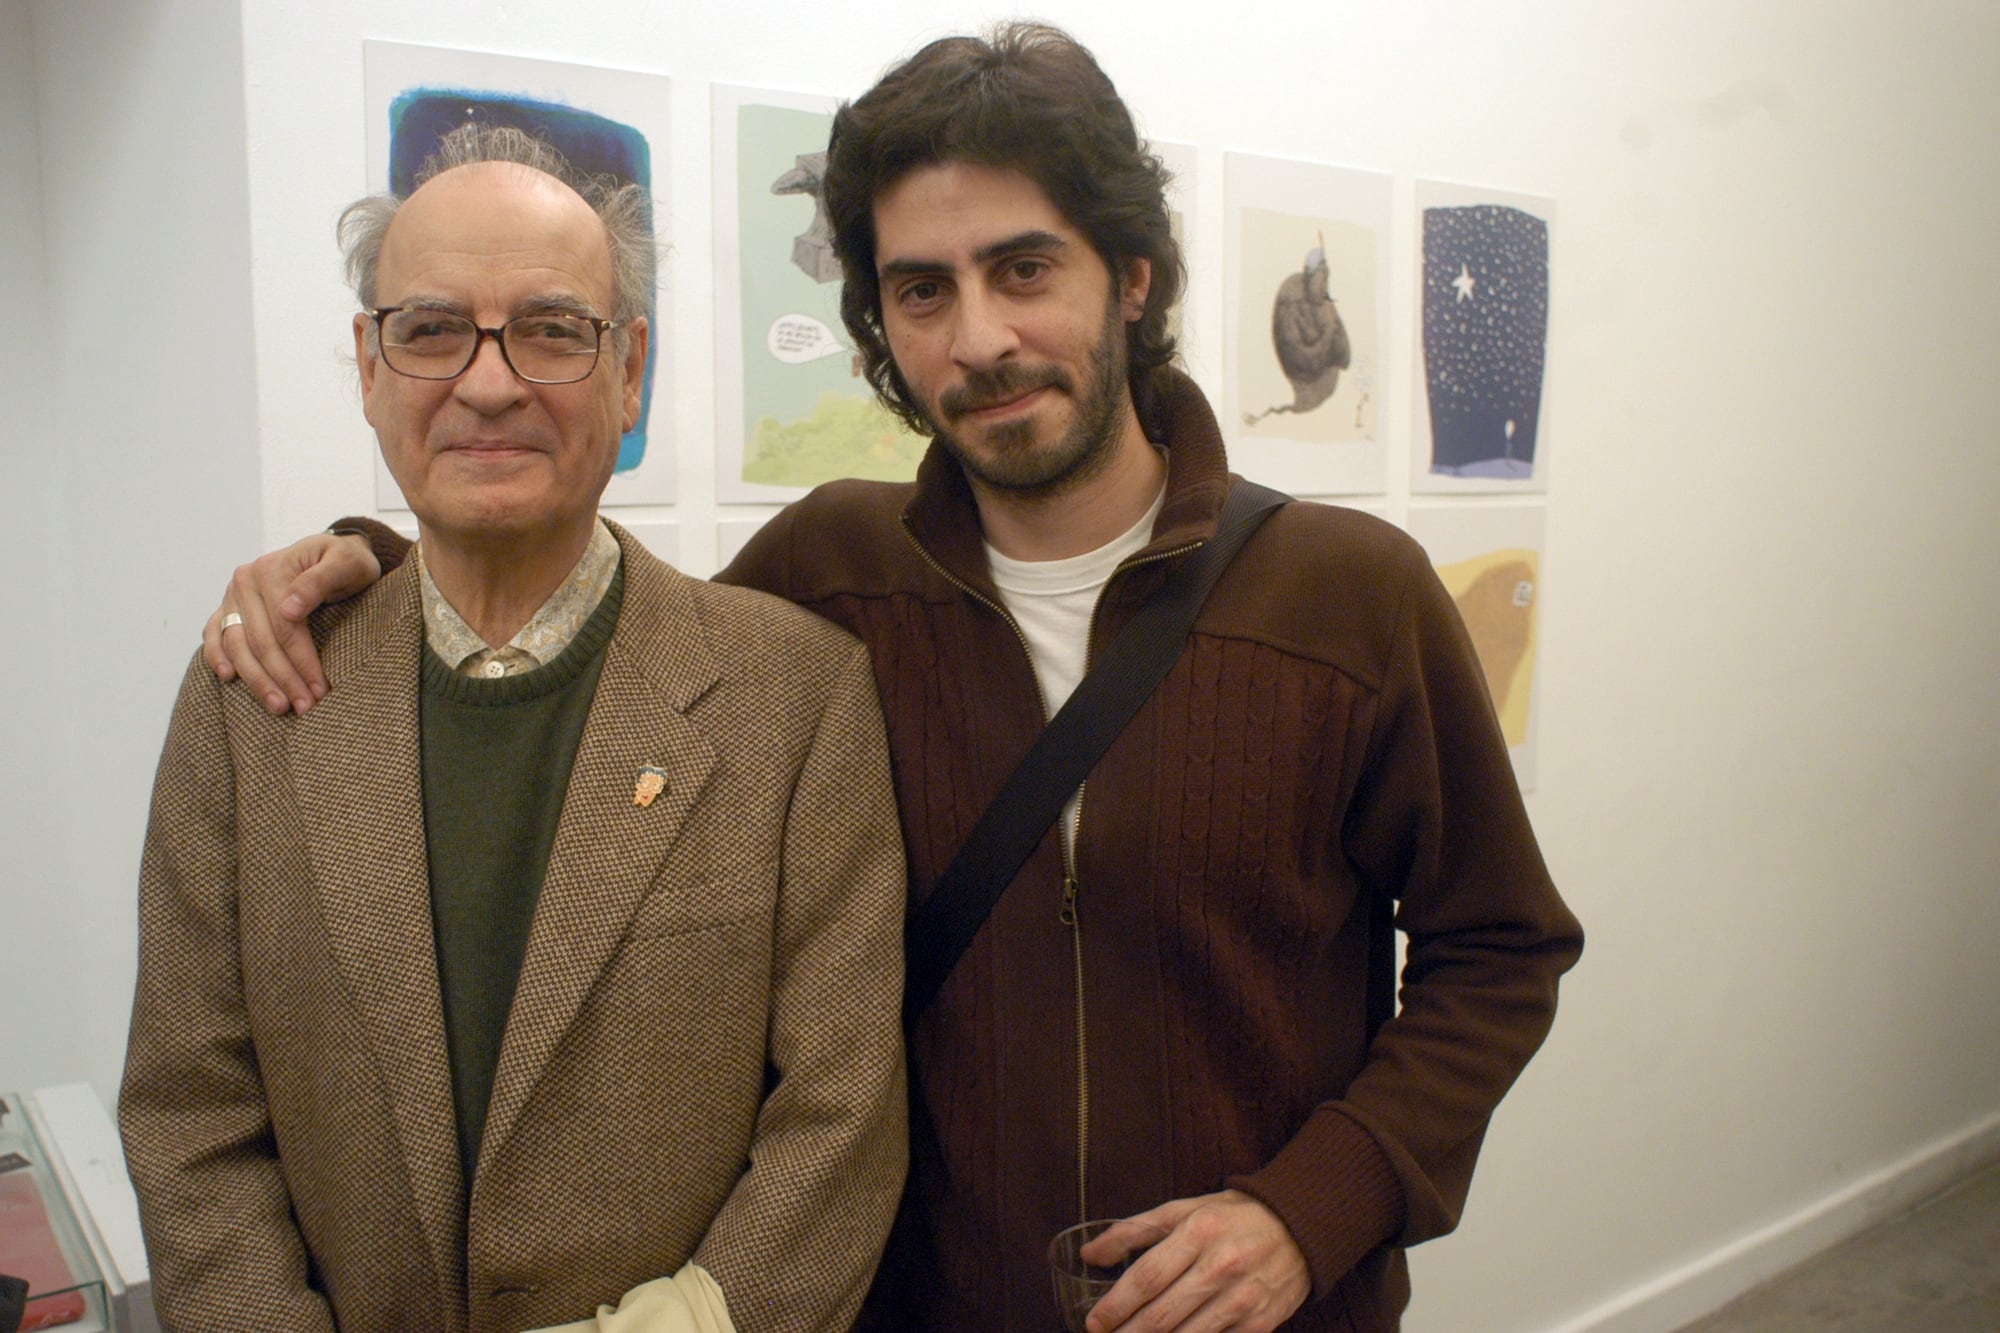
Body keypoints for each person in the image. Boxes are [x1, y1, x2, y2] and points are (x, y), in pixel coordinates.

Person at [204, 25, 1583, 1333]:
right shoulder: (831, 573)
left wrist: (1313, 1209)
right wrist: (372, 562)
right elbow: (595, 631)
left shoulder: (1348, 594)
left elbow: (1500, 949)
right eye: (922, 290)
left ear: (1135, 277)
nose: (976, 338)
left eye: (1025, 268)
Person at [122, 125, 908, 1333]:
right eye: (431, 330)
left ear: (629, 368)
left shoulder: (793, 697)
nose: (488, 383)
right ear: (370, 367)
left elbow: (841, 1113)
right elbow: (190, 1109)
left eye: (551, 330)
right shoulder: (249, 700)